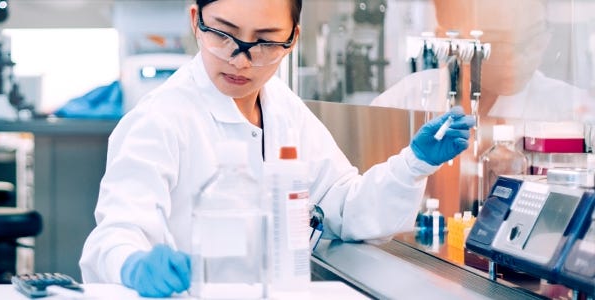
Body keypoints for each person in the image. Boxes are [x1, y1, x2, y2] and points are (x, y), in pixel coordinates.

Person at [79, 0, 475, 297]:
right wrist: (133, 264)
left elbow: (344, 207)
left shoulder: (283, 108)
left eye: (266, 42)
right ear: (195, 21)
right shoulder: (160, 118)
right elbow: (115, 234)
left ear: (292, 40)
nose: (241, 61)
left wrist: (412, 164)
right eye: (222, 34)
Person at [371, 0, 591, 122]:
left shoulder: (570, 109)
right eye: (494, 43)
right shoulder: (406, 100)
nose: (516, 58)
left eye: (532, 39)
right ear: (448, 41)